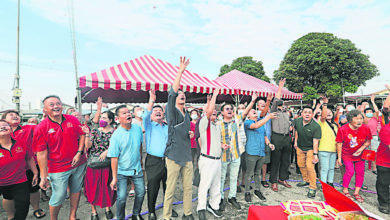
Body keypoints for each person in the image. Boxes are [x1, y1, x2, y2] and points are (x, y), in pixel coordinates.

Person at [33, 95, 87, 220]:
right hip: (57, 168)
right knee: (59, 196)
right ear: (45, 110)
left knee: (76, 189)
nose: (56, 106)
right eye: (51, 104)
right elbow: (41, 153)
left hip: (78, 163)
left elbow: (82, 134)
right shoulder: (41, 127)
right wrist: (43, 176)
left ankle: (72, 216)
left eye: (58, 103)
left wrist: (79, 152)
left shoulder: (72, 120)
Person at [163, 57, 194, 220]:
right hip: (174, 156)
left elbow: (186, 131)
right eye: (179, 94)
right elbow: (172, 92)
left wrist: (190, 134)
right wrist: (180, 71)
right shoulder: (172, 111)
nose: (182, 95)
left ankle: (187, 213)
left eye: (184, 94)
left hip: (187, 156)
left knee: (188, 188)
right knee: (171, 189)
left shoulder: (187, 114)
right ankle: (166, 216)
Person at [2, 110, 46, 219]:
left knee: (33, 189)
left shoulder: (28, 128)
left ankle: (36, 208)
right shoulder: (3, 131)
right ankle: (11, 216)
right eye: (11, 115)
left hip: (29, 166)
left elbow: (42, 128)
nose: (15, 116)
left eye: (16, 115)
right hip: (9, 171)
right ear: (4, 120)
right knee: (8, 196)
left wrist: (45, 118)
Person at [143, 89, 178, 220]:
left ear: (163, 114)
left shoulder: (167, 126)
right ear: (151, 115)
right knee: (153, 187)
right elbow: (145, 115)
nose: (158, 112)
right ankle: (151, 211)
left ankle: (168, 208)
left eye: (160, 110)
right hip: (154, 161)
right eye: (155, 111)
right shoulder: (149, 125)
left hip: (169, 160)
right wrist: (152, 100)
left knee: (169, 186)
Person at [219, 93, 257, 211]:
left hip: (235, 154)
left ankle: (232, 197)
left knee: (234, 177)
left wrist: (252, 101)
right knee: (221, 178)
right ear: (222, 113)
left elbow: (245, 113)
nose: (230, 110)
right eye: (227, 109)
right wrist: (221, 145)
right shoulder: (218, 124)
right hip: (223, 156)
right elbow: (215, 140)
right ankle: (220, 199)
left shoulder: (236, 122)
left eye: (231, 108)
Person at [108, 105, 145, 220]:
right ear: (118, 119)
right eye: (124, 113)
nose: (128, 114)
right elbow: (114, 158)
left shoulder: (138, 129)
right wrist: (114, 178)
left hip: (136, 169)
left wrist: (140, 160)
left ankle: (136, 214)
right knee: (122, 197)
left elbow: (139, 145)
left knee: (141, 192)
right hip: (122, 171)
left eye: (128, 112)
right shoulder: (116, 135)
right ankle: (120, 218)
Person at [83, 97, 116, 220]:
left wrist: (108, 151)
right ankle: (94, 212)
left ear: (110, 120)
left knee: (107, 186)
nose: (102, 120)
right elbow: (88, 146)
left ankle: (107, 208)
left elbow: (117, 146)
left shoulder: (115, 132)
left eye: (104, 118)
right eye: (101, 117)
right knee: (92, 187)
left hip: (108, 164)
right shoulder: (95, 131)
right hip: (94, 163)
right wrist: (87, 134)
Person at [197, 88, 225, 220]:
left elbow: (215, 142)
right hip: (207, 160)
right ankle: (201, 208)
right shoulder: (203, 123)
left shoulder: (216, 126)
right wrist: (214, 96)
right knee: (205, 184)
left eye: (215, 113)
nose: (213, 114)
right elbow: (208, 112)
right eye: (211, 113)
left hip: (217, 159)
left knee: (216, 184)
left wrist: (221, 146)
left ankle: (214, 205)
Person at [336, 110, 372, 203]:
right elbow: (339, 143)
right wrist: (339, 158)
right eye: (356, 119)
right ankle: (345, 189)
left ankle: (356, 192)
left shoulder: (365, 128)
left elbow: (368, 140)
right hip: (347, 154)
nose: (359, 121)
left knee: (360, 172)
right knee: (350, 171)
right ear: (350, 120)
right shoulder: (343, 129)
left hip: (360, 154)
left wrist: (361, 149)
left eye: (361, 118)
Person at [244, 109, 277, 202]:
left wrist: (269, 144)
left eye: (255, 110)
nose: (254, 111)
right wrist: (268, 117)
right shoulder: (247, 122)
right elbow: (255, 126)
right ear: (248, 116)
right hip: (251, 151)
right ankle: (247, 192)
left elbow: (265, 136)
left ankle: (257, 190)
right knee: (249, 173)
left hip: (261, 152)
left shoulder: (261, 124)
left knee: (258, 172)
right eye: (252, 111)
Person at [269, 78, 293, 192]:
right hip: (276, 137)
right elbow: (276, 98)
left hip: (286, 138)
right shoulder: (273, 111)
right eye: (279, 102)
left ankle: (282, 179)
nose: (280, 103)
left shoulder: (286, 113)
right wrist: (280, 87)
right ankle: (274, 181)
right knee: (276, 160)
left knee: (285, 160)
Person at [294, 106, 321, 198]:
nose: (307, 114)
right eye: (305, 112)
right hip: (300, 147)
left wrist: (315, 154)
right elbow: (296, 131)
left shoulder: (316, 126)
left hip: (311, 148)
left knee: (310, 167)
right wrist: (295, 142)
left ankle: (313, 187)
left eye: (309, 112)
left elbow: (315, 141)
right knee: (300, 164)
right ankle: (306, 180)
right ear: (302, 114)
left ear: (312, 115)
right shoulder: (297, 121)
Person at [317, 97, 338, 187]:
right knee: (324, 168)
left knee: (331, 168)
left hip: (334, 150)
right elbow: (323, 116)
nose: (329, 114)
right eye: (327, 112)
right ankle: (324, 183)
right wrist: (324, 104)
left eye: (330, 112)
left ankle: (330, 182)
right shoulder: (321, 122)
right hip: (324, 149)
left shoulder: (335, 125)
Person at [376, 85, 390, 214]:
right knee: (383, 183)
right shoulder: (386, 129)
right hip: (384, 162)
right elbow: (386, 107)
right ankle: (384, 203)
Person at [256, 94, 273, 188]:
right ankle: (255, 178)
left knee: (265, 161)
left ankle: (263, 179)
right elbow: (263, 114)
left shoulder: (269, 115)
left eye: (264, 103)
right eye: (261, 103)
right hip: (258, 141)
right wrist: (268, 101)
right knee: (256, 160)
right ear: (257, 106)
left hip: (268, 141)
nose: (263, 104)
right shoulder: (257, 114)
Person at [364, 95, 381, 174]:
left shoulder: (374, 118)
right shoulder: (364, 119)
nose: (369, 113)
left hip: (374, 137)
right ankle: (367, 167)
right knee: (366, 153)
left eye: (370, 112)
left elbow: (377, 111)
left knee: (374, 152)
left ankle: (374, 168)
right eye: (367, 112)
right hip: (365, 138)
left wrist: (373, 102)